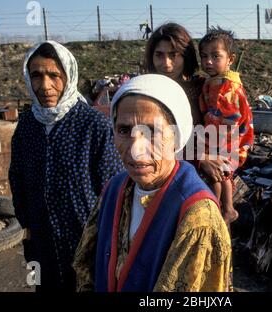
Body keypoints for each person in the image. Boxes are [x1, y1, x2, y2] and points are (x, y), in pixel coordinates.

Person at [73, 74, 232, 292]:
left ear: (176, 136)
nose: (136, 150)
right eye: (124, 130)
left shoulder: (198, 215)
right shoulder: (115, 189)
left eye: (152, 132)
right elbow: (88, 267)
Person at [9, 41, 124, 291]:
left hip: (86, 239)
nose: (45, 86)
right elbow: (16, 176)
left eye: (54, 75)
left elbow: (113, 188)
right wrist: (26, 224)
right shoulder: (27, 125)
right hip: (41, 239)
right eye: (36, 76)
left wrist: (107, 239)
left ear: (69, 76)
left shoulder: (94, 125)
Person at [145, 23, 239, 200]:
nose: (166, 63)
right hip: (166, 176)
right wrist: (199, 159)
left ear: (186, 56)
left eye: (174, 55)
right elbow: (148, 142)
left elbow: (228, 128)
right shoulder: (147, 93)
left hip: (212, 171)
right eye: (159, 55)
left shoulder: (204, 88)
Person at [198, 27, 254, 224]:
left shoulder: (228, 87)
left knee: (219, 174)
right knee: (220, 174)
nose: (208, 61)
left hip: (227, 139)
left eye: (215, 56)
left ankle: (226, 209)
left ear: (230, 59)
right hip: (218, 137)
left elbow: (231, 118)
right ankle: (222, 208)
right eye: (204, 56)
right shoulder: (213, 81)